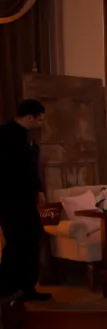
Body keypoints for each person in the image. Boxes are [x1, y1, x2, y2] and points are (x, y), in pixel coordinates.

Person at [0, 99, 50, 300]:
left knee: (31, 243)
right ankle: (6, 287)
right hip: (10, 200)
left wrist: (38, 190)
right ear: (30, 117)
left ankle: (28, 287)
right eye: (40, 119)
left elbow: (31, 168)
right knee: (15, 243)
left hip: (27, 199)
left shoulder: (28, 137)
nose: (41, 123)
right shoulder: (4, 136)